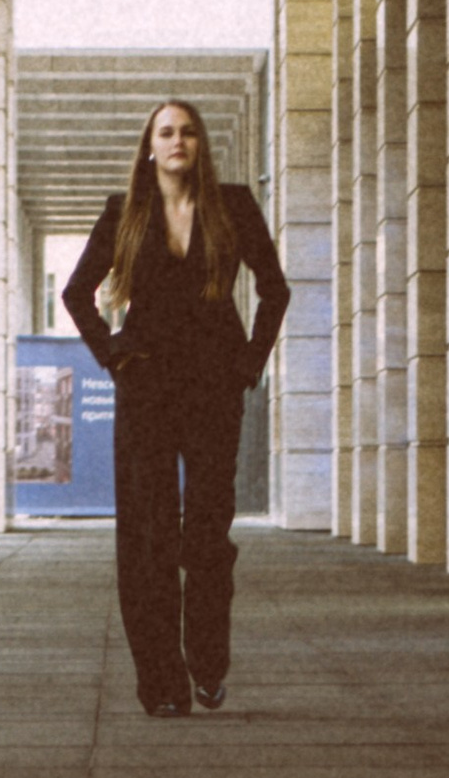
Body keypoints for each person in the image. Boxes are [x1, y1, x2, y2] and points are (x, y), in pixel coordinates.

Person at [64, 99, 289, 716]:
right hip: (146, 389)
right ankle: (162, 684)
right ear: (150, 147)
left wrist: (249, 364)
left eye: (188, 132)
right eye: (166, 133)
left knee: (208, 536)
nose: (178, 141)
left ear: (200, 145)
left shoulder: (234, 205)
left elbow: (275, 289)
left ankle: (208, 662)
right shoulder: (125, 212)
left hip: (215, 387)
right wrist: (112, 355)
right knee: (148, 538)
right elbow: (76, 292)